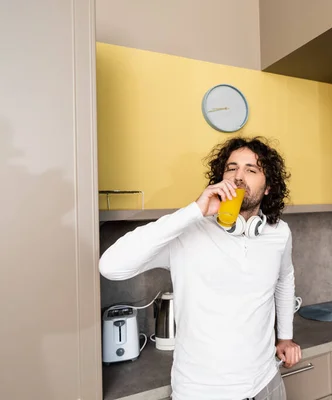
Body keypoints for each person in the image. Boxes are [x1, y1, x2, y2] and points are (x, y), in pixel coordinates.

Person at [99, 136, 301, 400]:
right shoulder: (187, 231)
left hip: (266, 382)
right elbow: (110, 266)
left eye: (251, 170)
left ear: (267, 188)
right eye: (231, 168)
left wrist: (285, 337)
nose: (238, 177)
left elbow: (284, 279)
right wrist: (194, 210)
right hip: (202, 392)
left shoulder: (279, 233)